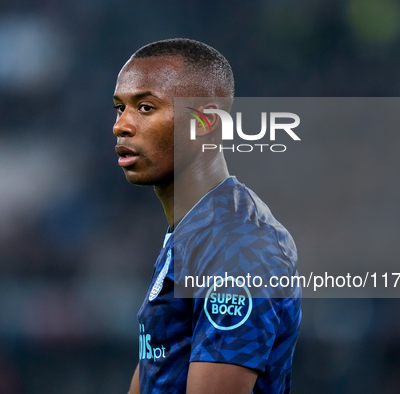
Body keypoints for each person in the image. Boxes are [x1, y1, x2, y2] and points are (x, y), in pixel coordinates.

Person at [113, 38, 301, 394]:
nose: (121, 125)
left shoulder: (238, 248)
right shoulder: (195, 229)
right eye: (119, 107)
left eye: (146, 107)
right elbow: (157, 366)